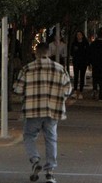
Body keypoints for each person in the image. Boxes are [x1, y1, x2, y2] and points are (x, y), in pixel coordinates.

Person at [14, 42, 72, 183]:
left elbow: (18, 89)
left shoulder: (27, 68)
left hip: (32, 110)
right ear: (49, 52)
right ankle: (50, 171)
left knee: (29, 136)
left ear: (36, 53)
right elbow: (68, 89)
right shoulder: (60, 69)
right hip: (53, 110)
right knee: (51, 139)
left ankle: (35, 160)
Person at [88, 28, 102, 101]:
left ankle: (95, 89)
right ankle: (101, 96)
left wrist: (90, 63)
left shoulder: (93, 44)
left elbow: (90, 54)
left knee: (95, 78)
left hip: (95, 64)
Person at [69, 31, 90, 99]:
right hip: (76, 61)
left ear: (82, 36)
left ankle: (80, 91)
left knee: (82, 76)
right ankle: (75, 91)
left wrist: (87, 62)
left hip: (83, 62)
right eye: (77, 35)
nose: (78, 36)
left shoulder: (85, 43)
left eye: (80, 34)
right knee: (76, 76)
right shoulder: (74, 43)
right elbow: (71, 52)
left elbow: (87, 53)